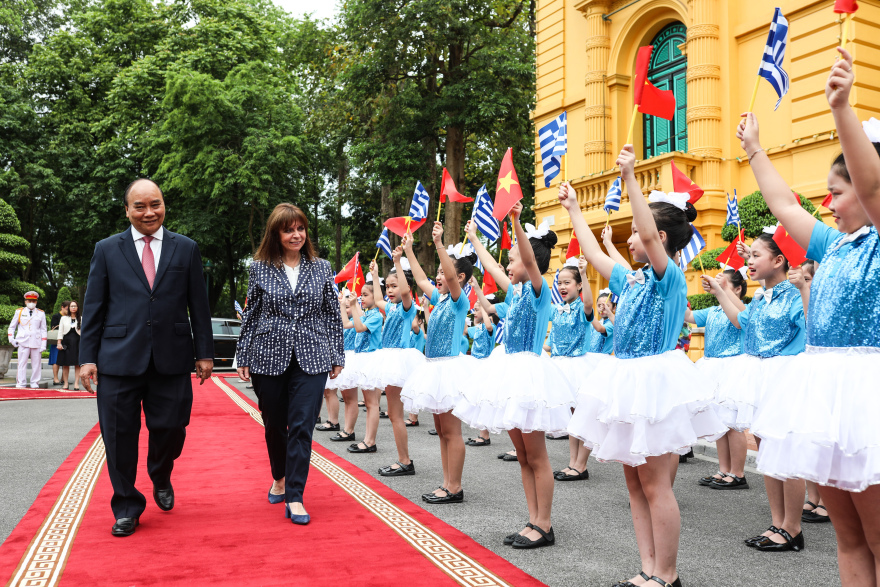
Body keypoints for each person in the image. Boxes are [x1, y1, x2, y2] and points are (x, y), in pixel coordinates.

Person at [742, 47, 880, 582]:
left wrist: (841, 110)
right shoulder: (835, 245)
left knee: (875, 535)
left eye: (836, 192)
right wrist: (755, 151)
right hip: (827, 396)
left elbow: (871, 186)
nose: (827, 203)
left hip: (866, 398)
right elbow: (784, 207)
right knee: (848, 538)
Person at [559, 146, 726, 585]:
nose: (631, 239)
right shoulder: (630, 278)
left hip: (655, 381)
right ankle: (647, 569)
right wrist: (576, 209)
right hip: (626, 378)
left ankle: (667, 575)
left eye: (636, 232)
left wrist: (631, 177)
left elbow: (649, 238)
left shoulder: (666, 275)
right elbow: (594, 255)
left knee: (655, 485)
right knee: (634, 485)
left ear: (660, 238)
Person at [80, 178, 214, 537]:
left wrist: (204, 353)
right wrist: (86, 357)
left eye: (154, 204)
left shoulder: (185, 248)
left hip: (171, 358)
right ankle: (126, 505)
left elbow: (198, 306)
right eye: (139, 206)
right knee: (118, 436)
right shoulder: (108, 249)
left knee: (172, 427)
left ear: (163, 205)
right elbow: (93, 307)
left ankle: (161, 471)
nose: (148, 212)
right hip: (118, 359)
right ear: (127, 210)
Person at [456, 206, 571, 550]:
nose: (507, 264)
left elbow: (529, 263)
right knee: (522, 456)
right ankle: (532, 519)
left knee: (536, 456)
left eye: (512, 259)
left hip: (529, 378)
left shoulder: (538, 290)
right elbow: (490, 266)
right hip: (510, 373)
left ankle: (545, 524)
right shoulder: (517, 292)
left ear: (527, 260)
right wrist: (475, 239)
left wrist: (517, 222)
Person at [235, 203, 344, 525]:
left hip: (313, 356)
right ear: (276, 234)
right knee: (274, 425)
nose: (296, 235)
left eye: (300, 228)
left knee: (301, 426)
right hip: (268, 355)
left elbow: (331, 314)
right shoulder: (260, 268)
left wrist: (337, 355)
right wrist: (243, 354)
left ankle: (295, 496)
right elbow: (251, 314)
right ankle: (279, 476)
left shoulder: (322, 268)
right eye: (288, 229)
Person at [705, 232, 806, 552]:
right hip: (760, 376)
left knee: (785, 450)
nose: (749, 261)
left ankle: (793, 527)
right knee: (765, 447)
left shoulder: (794, 293)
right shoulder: (762, 298)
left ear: (779, 261)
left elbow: (811, 325)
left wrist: (805, 286)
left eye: (756, 255)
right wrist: (721, 291)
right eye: (749, 256)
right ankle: (777, 522)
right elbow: (742, 322)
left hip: (786, 376)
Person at [401, 225, 475, 504]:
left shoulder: (459, 300)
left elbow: (451, 279)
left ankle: (455, 486)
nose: (439, 276)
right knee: (442, 431)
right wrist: (408, 250)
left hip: (450, 369)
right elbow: (420, 280)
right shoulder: (440, 299)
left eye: (444, 273)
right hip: (433, 368)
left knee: (452, 431)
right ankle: (446, 483)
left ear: (460, 277)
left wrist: (440, 244)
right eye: (440, 272)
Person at [358, 250, 423, 476]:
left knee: (395, 415)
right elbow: (377, 300)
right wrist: (376, 277)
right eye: (389, 287)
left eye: (394, 286)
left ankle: (405, 461)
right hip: (389, 357)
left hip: (399, 359)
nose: (390, 290)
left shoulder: (407, 307)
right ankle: (403, 459)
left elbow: (405, 292)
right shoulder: (391, 307)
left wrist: (396, 261)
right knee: (395, 415)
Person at [685, 270, 749, 490]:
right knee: (719, 423)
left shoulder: (742, 310)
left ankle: (738, 473)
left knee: (732, 423)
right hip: (711, 367)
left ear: (738, 288)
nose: (714, 285)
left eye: (722, 283)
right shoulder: (712, 311)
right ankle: (724, 469)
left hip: (733, 367)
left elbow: (743, 319)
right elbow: (689, 317)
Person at [342, 279, 383, 453]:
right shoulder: (367, 314)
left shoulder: (376, 316)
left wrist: (353, 304)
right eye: (362, 295)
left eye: (366, 295)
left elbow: (358, 328)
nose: (362, 299)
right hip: (363, 359)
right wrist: (344, 306)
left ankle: (370, 441)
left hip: (371, 359)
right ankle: (367, 439)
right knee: (368, 402)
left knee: (372, 403)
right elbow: (346, 324)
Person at [7, 291, 47, 389]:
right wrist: (11, 339)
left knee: (36, 364)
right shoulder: (19, 312)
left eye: (33, 301)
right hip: (23, 341)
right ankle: (21, 383)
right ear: (25, 302)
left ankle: (35, 383)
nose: (31, 302)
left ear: (36, 302)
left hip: (36, 342)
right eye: (29, 300)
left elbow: (43, 330)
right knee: (21, 363)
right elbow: (12, 327)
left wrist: (43, 344)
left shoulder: (41, 313)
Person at [56, 300, 83, 391]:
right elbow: (60, 331)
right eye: (71, 306)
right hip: (66, 342)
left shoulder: (81, 318)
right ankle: (66, 383)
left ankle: (76, 383)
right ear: (69, 308)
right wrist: (59, 343)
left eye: (75, 306)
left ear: (78, 308)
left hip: (77, 342)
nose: (73, 308)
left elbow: (84, 333)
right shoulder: (63, 318)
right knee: (65, 364)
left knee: (77, 364)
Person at [49, 301, 68, 385]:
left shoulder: (70, 317)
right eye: (67, 309)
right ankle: (55, 378)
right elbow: (53, 327)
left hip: (67, 340)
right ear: (62, 307)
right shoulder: (56, 316)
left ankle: (63, 379)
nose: (68, 311)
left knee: (66, 360)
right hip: (56, 340)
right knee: (55, 360)